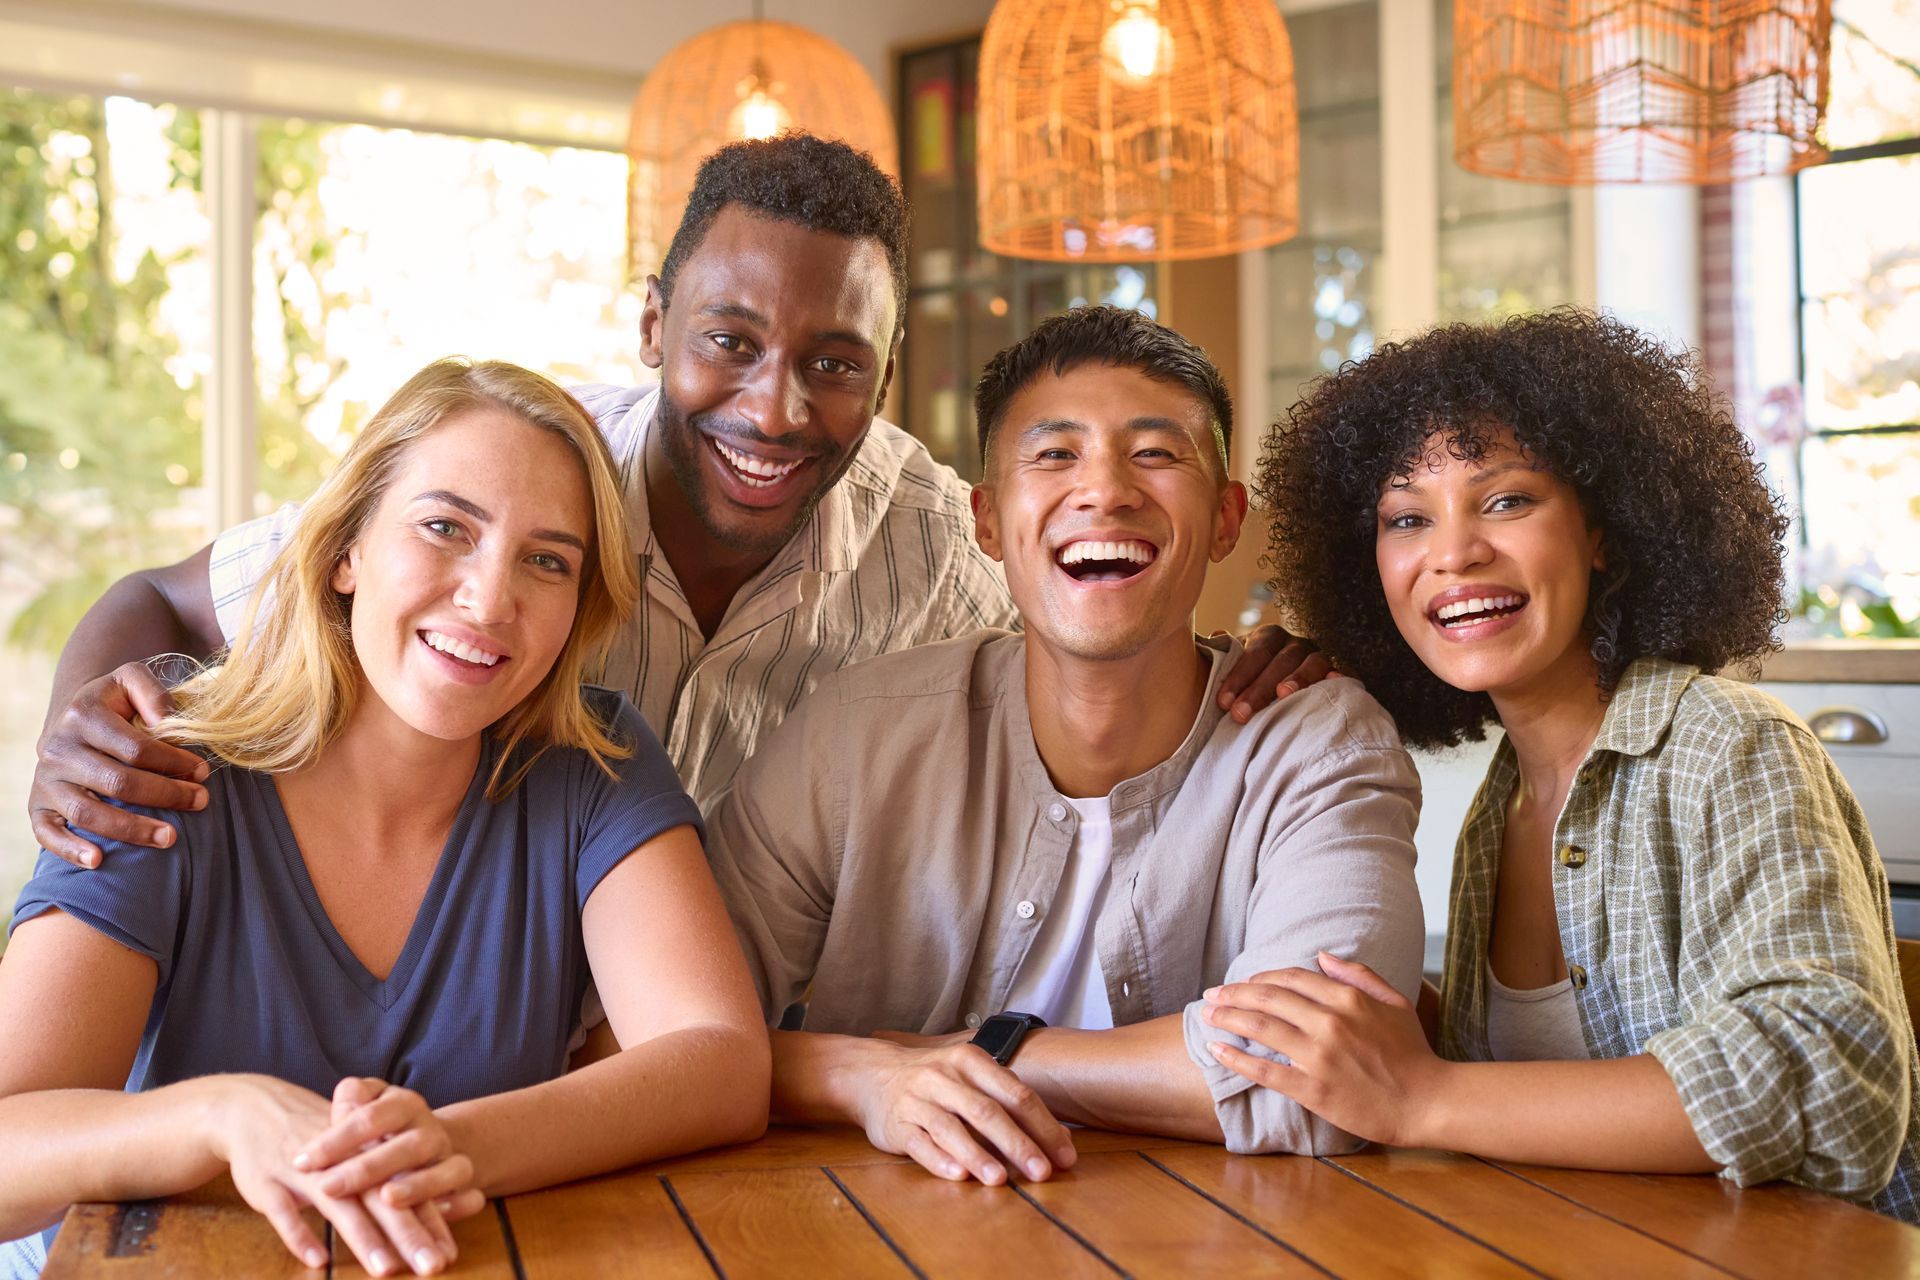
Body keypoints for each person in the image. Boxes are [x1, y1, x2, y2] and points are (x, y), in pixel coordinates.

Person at [30, 135, 1324, 869]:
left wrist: (1249, 666)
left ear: (886, 373)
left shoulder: (933, 536)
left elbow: (1091, 639)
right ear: (655, 326)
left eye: (835, 365)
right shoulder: (514, 478)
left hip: (719, 1037)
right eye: (731, 343)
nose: (774, 409)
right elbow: (155, 594)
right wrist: (78, 732)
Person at [0, 360, 769, 1277]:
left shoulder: (593, 766)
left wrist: (448, 1145)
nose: (490, 599)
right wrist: (221, 1116)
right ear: (345, 551)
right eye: (446, 527)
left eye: (547, 560)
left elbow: (721, 1061)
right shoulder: (164, 756)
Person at [1224, 308, 1918, 1220]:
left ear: (1604, 528)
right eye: (1406, 518)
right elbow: (1540, 1093)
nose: (1453, 553)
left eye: (1507, 500)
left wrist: (1420, 1093)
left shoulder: (1728, 747)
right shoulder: (1499, 808)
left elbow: (1826, 1081)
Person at [705, 307, 1425, 1184]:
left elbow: (1330, 1083)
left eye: (1156, 453)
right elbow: (658, 1034)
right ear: (986, 519)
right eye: (1054, 455)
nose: (1106, 490)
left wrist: (972, 1054)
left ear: (1228, 518)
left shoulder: (1316, 742)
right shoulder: (857, 736)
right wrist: (862, 1077)